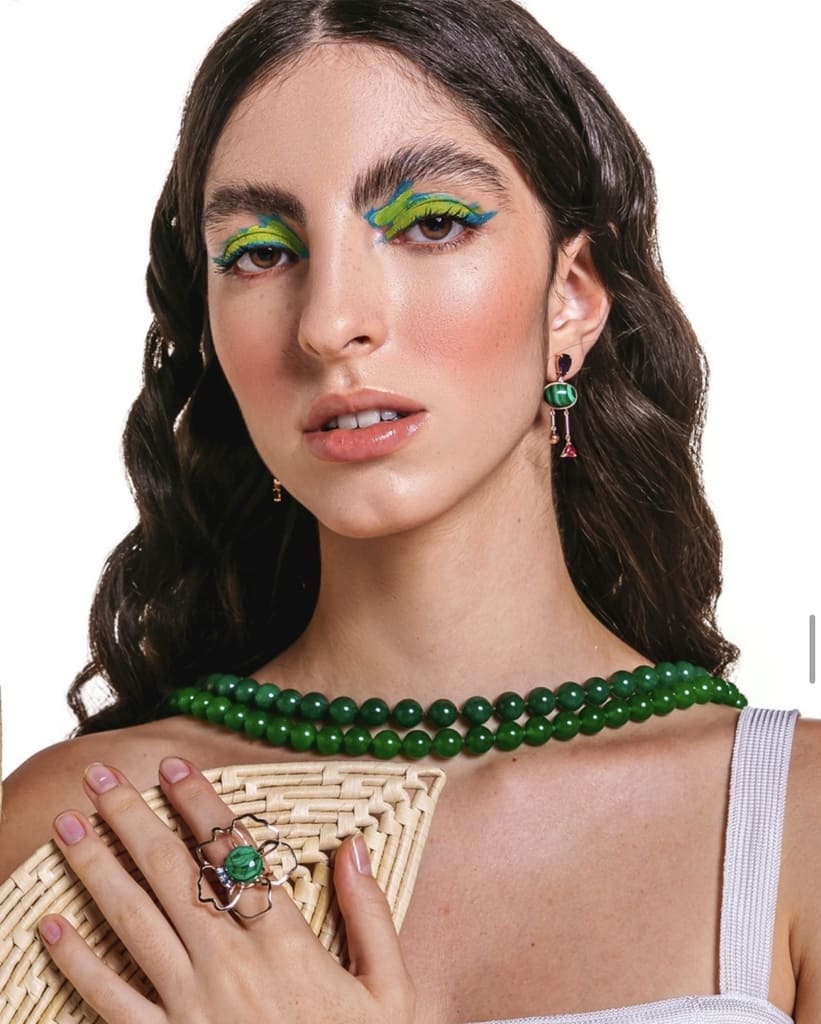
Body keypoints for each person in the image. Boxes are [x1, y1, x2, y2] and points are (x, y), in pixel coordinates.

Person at [1, 0, 818, 1021]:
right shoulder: (83, 832)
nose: (329, 323)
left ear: (569, 295)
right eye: (259, 251)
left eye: (431, 224)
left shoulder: (793, 820)